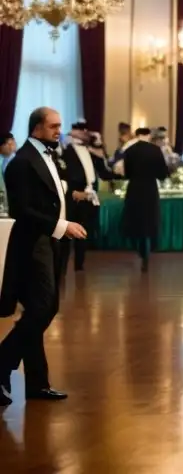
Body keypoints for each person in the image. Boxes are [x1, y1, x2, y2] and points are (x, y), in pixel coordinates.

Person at [0, 107, 89, 407]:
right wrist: (61, 226)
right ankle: (2, 365)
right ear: (37, 128)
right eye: (54, 126)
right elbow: (21, 210)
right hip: (33, 243)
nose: (58, 131)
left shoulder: (52, 156)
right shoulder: (21, 163)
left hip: (51, 243)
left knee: (42, 309)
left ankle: (37, 383)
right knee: (41, 310)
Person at [58, 121, 111, 276]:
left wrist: (99, 146)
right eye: (80, 131)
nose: (84, 133)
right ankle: (61, 268)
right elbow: (61, 174)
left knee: (84, 232)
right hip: (72, 197)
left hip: (88, 198)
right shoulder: (65, 150)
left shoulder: (91, 150)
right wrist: (72, 191)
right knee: (67, 234)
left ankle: (79, 265)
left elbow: (103, 171)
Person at [118, 128, 169, 272]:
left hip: (134, 188)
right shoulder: (155, 150)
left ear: (137, 135)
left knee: (136, 219)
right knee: (150, 219)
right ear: (148, 135)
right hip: (150, 189)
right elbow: (163, 173)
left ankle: (139, 249)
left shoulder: (130, 150)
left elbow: (126, 174)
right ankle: (148, 252)